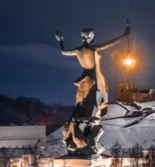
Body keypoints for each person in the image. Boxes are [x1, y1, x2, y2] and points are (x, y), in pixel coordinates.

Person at [55, 21, 130, 155]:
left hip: (83, 80)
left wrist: (61, 40)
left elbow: (63, 52)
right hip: (95, 80)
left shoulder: (78, 51)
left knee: (79, 107)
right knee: (96, 109)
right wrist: (124, 35)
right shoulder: (94, 49)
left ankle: (78, 137)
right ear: (91, 37)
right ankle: (88, 138)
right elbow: (111, 42)